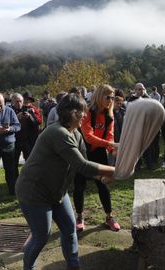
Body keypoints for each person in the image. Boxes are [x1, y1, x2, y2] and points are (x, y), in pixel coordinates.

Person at [16, 93, 115, 270]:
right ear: (71, 112)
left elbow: (83, 164)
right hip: (34, 192)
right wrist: (117, 171)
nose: (85, 115)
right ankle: (28, 267)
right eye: (82, 112)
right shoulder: (57, 132)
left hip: (57, 192)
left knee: (70, 229)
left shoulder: (76, 134)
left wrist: (100, 177)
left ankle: (73, 266)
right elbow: (82, 164)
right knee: (41, 236)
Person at [77, 84, 121, 232]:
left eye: (113, 98)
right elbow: (88, 136)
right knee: (79, 185)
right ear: (99, 96)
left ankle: (109, 217)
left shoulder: (109, 116)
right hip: (82, 151)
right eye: (107, 97)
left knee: (103, 185)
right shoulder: (88, 112)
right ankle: (79, 216)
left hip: (99, 152)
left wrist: (113, 150)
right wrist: (110, 144)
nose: (110, 100)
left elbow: (110, 135)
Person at [11, 92, 42, 180]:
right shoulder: (10, 111)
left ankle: (29, 179)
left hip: (28, 140)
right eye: (17, 101)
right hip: (15, 140)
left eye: (21, 101)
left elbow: (38, 122)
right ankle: (15, 182)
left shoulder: (32, 110)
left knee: (30, 161)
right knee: (13, 163)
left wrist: (30, 116)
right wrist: (16, 117)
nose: (20, 103)